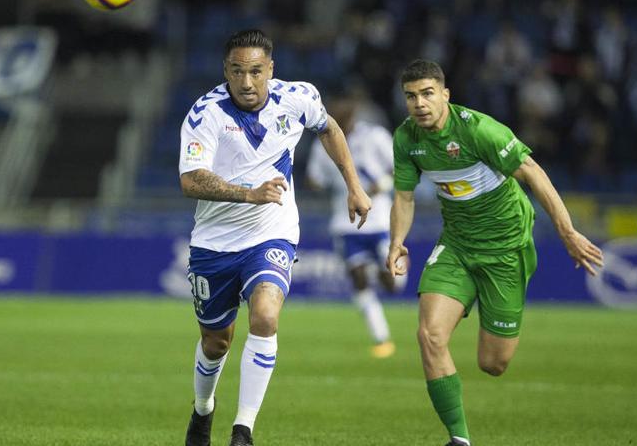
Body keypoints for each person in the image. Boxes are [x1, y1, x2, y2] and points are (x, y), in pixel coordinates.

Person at [386, 60, 604, 446]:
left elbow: (533, 172)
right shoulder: (406, 138)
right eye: (411, 96)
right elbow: (403, 196)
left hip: (506, 249)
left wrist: (567, 231)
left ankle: (487, 304)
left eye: (427, 93)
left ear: (445, 95)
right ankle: (459, 439)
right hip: (455, 245)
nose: (419, 103)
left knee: (493, 364)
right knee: (429, 335)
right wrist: (396, 241)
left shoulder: (479, 130)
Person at [179, 29, 372, 446]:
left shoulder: (298, 97)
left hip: (272, 233)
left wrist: (354, 186)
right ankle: (202, 410)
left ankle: (243, 430)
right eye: (236, 72)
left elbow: (330, 128)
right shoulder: (205, 114)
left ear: (271, 70)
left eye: (255, 72)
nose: (246, 83)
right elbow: (191, 180)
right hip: (215, 241)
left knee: (265, 317)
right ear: (225, 72)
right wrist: (248, 194)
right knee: (216, 342)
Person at [306, 89, 404, 358]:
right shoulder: (321, 144)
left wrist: (378, 186)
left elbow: (398, 166)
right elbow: (314, 179)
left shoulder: (374, 136)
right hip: (345, 222)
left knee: (391, 284)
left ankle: (384, 269)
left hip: (380, 219)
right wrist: (314, 182)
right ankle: (381, 338)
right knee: (358, 278)